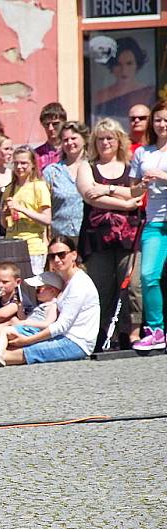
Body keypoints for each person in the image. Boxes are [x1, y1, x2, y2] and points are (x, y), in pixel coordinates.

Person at [76, 118, 144, 352]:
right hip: (98, 239)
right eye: (101, 138)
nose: (105, 142)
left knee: (132, 286)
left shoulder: (130, 164)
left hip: (129, 236)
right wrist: (125, 204)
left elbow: (139, 192)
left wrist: (107, 188)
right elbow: (89, 195)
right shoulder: (87, 166)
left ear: (118, 140)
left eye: (110, 138)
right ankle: (104, 333)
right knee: (101, 287)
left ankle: (132, 333)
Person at [0, 236, 100, 365]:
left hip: (75, 342)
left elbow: (61, 326)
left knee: (7, 355)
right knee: (3, 341)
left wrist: (28, 340)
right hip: (60, 336)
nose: (57, 260)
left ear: (74, 255)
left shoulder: (79, 284)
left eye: (61, 254)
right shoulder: (63, 280)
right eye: (52, 256)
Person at [0, 271, 62, 368]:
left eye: (38, 289)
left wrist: (25, 322)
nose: (36, 292)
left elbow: (48, 323)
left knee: (3, 328)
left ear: (52, 291)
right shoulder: (40, 306)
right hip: (23, 329)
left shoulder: (52, 305)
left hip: (32, 331)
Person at [129, 101, 167, 351]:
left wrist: (163, 176)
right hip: (154, 221)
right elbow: (133, 188)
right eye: (158, 120)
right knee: (148, 275)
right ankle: (156, 329)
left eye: (166, 120)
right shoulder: (143, 152)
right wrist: (142, 184)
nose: (162, 124)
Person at [2, 147, 52, 274]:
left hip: (33, 247)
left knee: (32, 287)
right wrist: (5, 214)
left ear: (33, 165)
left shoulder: (39, 187)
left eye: (24, 163)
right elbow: (5, 224)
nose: (19, 167)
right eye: (16, 163)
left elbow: (46, 219)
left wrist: (21, 208)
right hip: (12, 246)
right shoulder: (9, 189)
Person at [43, 121, 90, 242]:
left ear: (84, 139)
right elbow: (43, 207)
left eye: (73, 138)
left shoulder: (94, 167)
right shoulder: (52, 172)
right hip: (61, 238)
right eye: (65, 140)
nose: (69, 143)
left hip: (90, 236)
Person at [93, 37, 155, 125]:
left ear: (137, 64)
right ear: (112, 66)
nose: (124, 70)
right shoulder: (101, 96)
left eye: (129, 63)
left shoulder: (148, 94)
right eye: (118, 64)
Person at [34, 102, 67, 173]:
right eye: (47, 124)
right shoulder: (36, 155)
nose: (50, 128)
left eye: (55, 124)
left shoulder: (71, 151)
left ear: (64, 122)